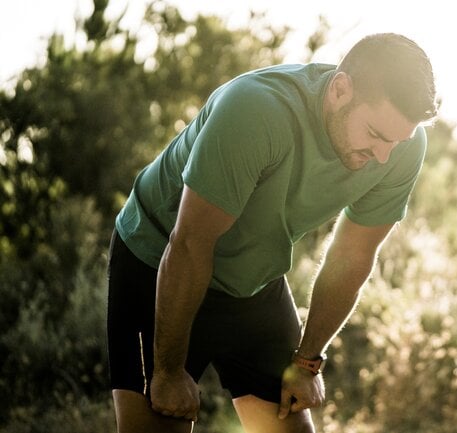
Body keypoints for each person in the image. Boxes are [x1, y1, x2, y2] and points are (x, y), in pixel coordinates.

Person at [107, 32, 438, 433]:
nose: (383, 156)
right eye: (374, 134)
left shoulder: (401, 146)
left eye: (397, 141)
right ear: (340, 90)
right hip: (161, 259)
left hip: (254, 277)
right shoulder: (254, 110)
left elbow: (352, 257)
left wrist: (307, 361)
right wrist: (167, 372)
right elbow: (191, 244)